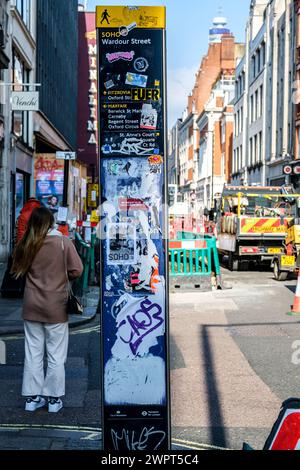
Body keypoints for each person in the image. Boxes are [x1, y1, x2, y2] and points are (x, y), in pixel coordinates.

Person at [11, 207, 83, 413]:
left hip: (32, 305)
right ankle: (53, 400)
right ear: (51, 222)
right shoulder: (62, 242)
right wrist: (62, 276)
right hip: (56, 306)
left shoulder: (27, 243)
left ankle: (32, 399)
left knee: (33, 353)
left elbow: (17, 268)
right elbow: (77, 269)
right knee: (55, 355)